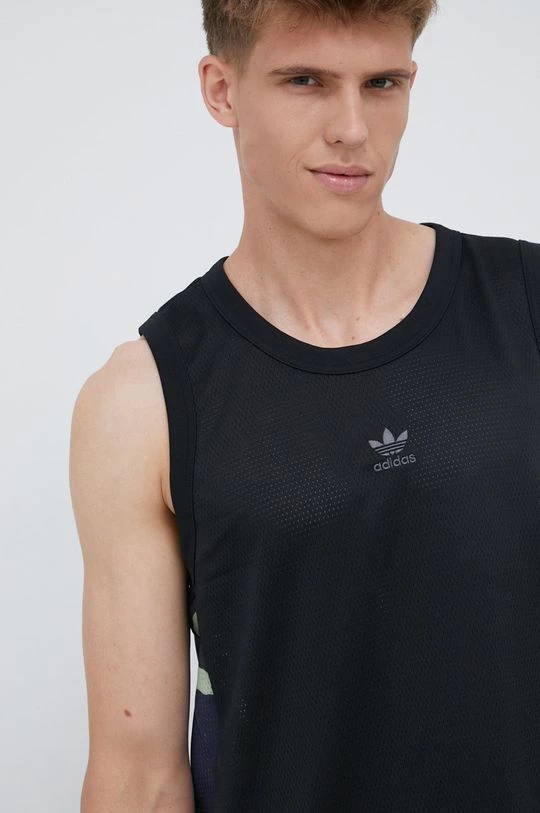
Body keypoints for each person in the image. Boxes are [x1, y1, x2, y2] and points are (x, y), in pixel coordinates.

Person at [69, 1, 540, 811]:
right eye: (305, 81)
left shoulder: (527, 307)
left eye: (382, 83)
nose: (353, 129)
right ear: (222, 90)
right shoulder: (141, 402)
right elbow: (139, 780)